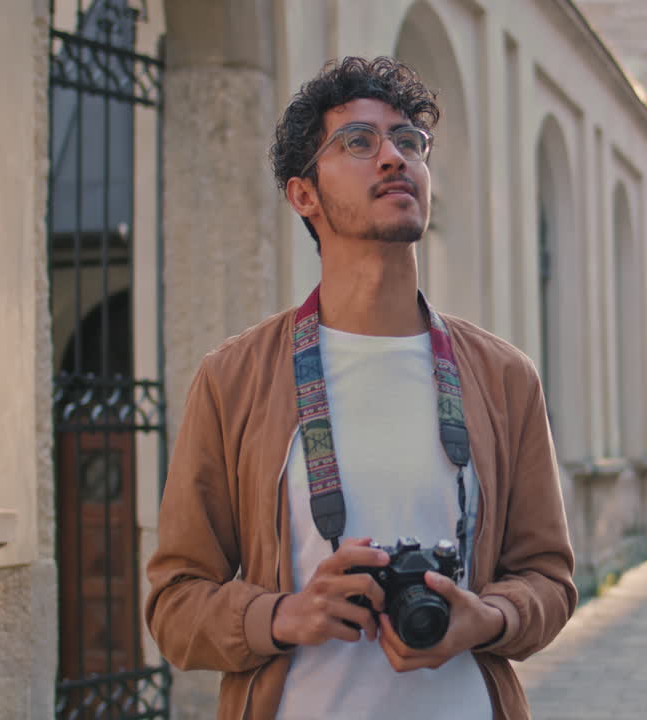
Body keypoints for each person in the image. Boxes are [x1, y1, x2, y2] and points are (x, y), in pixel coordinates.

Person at [145, 56, 577, 720]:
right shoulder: (234, 379)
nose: (392, 158)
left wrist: (485, 618)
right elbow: (174, 603)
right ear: (304, 195)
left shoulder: (503, 378)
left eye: (410, 142)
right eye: (358, 142)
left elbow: (549, 579)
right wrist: (283, 614)